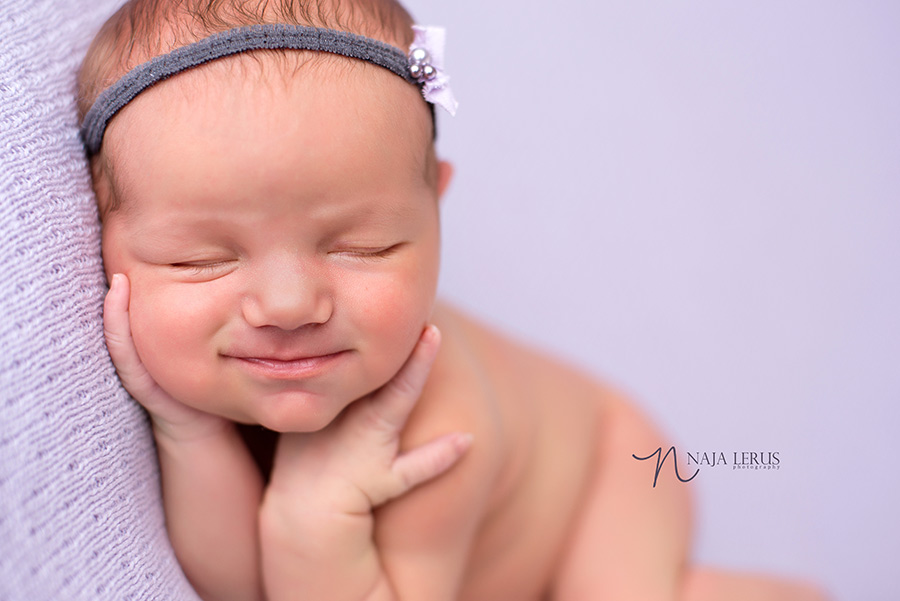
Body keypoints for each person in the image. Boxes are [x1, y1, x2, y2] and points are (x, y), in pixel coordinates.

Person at [77, 1, 828, 599]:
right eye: (200, 259)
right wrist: (190, 432)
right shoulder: (230, 376)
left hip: (607, 472)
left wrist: (314, 516)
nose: (288, 303)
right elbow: (243, 587)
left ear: (435, 205)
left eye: (362, 245)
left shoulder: (443, 426)